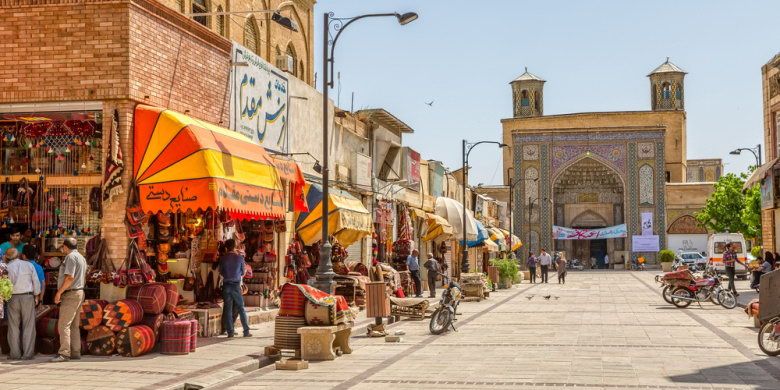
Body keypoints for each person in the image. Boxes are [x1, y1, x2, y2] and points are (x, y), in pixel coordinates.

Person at [51, 238, 87, 362]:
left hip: (71, 294)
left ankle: (64, 353)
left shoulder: (70, 257)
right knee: (74, 325)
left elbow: (70, 277)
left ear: (65, 247)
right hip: (79, 292)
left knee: (64, 325)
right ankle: (75, 352)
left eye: (63, 247)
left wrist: (59, 293)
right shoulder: (81, 257)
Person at [5, 247, 40, 360]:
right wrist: (37, 295)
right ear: (19, 255)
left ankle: (15, 354)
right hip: (28, 296)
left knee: (13, 326)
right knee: (29, 326)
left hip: (12, 298)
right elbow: (36, 281)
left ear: (7, 257)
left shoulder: (7, 267)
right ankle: (28, 354)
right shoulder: (29, 265)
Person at [218, 239, 251, 338]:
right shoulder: (239, 258)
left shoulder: (223, 259)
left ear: (227, 248)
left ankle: (230, 332)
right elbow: (242, 272)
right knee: (241, 307)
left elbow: (221, 272)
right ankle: (246, 331)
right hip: (236, 285)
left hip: (226, 285)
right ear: (234, 246)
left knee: (228, 309)